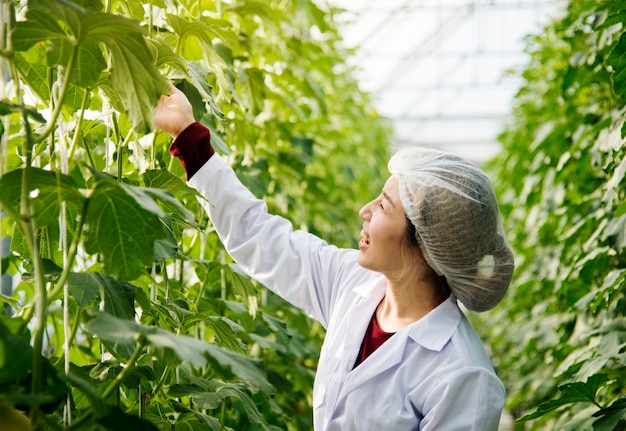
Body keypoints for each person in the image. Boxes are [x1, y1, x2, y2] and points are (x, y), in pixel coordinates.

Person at [153, 82, 515, 430]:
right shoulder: (354, 284)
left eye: (384, 206)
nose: (365, 210)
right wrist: (187, 133)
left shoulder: (463, 376)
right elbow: (261, 238)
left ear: (425, 245)